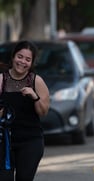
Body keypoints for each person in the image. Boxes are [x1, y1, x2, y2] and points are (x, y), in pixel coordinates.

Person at [0, 40, 50, 181]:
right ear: (13, 57)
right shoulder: (2, 80)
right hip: (4, 141)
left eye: (28, 59)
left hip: (30, 141)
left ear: (32, 62)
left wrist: (34, 96)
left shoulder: (36, 81)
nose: (22, 62)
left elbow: (43, 112)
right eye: (20, 57)